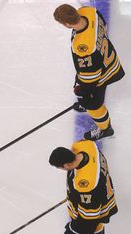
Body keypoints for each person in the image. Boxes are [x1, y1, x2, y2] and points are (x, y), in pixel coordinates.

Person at [53, 4, 125, 141]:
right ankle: (88, 105)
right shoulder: (89, 11)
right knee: (88, 99)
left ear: (68, 24)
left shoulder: (82, 47)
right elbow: (104, 25)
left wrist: (85, 94)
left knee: (94, 105)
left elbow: (91, 76)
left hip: (101, 74)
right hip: (108, 60)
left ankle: (106, 129)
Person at [49, 140, 118, 234]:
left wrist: (74, 230)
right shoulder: (85, 146)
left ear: (67, 165)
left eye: (60, 167)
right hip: (100, 194)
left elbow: (90, 218)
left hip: (97, 209)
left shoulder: (86, 185)